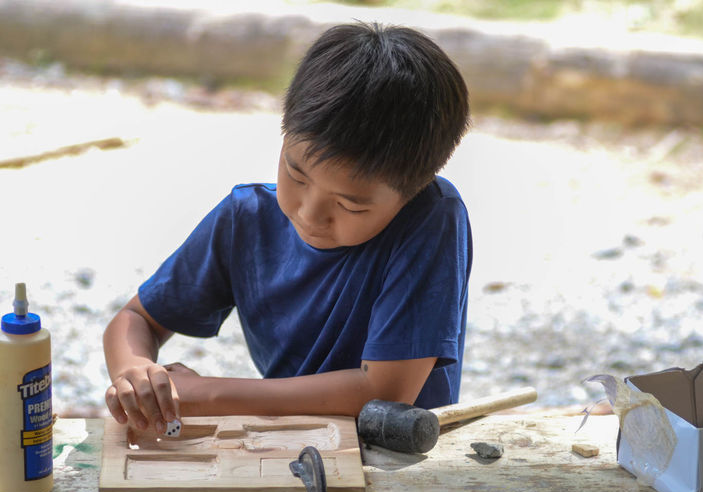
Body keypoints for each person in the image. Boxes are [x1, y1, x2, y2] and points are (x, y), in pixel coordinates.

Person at [103, 21, 472, 435]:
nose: (309, 214)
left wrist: (207, 393)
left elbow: (384, 391)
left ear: (413, 189)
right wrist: (135, 372)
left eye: (349, 204)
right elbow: (136, 318)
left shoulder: (432, 219)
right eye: (296, 176)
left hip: (396, 452)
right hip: (288, 440)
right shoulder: (246, 218)